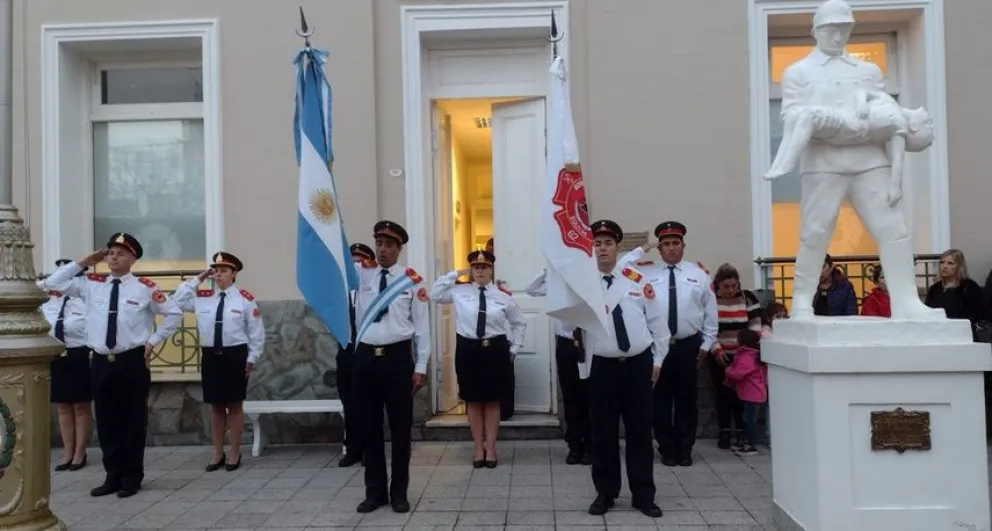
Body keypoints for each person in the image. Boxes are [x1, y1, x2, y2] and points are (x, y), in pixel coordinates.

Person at [764, 0, 941, 321]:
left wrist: (865, 131)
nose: (837, 35)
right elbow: (791, 118)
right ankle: (802, 302)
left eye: (844, 28)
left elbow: (883, 108)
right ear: (817, 29)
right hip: (824, 163)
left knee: (893, 229)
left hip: (870, 161)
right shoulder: (798, 72)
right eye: (831, 28)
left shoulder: (868, 70)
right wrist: (844, 127)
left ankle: (906, 302)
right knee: (814, 233)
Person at [43, 233, 182, 498]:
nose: (113, 257)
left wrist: (154, 340)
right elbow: (54, 283)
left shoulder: (145, 288)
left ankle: (132, 476)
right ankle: (112, 475)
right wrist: (83, 262)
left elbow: (173, 314)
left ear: (132, 258)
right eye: (110, 253)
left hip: (131, 360)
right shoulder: (91, 284)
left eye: (119, 253)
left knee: (131, 420)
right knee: (106, 421)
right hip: (100, 362)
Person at [579, 219, 666, 518]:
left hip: (637, 364)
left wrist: (658, 360)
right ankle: (605, 493)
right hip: (601, 366)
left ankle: (643, 495)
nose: (602, 248)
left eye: (607, 243)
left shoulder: (635, 278)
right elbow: (539, 288)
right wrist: (564, 262)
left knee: (640, 432)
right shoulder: (582, 281)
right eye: (596, 243)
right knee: (602, 434)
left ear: (617, 247)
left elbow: (657, 323)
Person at [619, 221, 717, 467]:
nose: (671, 248)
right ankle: (666, 448)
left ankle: (685, 449)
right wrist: (642, 248)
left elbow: (710, 312)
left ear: (683, 246)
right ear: (660, 249)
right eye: (665, 244)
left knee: (686, 400)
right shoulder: (646, 272)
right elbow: (620, 268)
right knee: (659, 400)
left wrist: (707, 344)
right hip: (656, 348)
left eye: (676, 243)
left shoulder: (699, 274)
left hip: (688, 346)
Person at [352, 221, 430, 514]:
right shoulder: (360, 274)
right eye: (379, 243)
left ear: (399, 248)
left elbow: (422, 327)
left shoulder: (412, 281)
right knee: (368, 427)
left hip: (398, 359)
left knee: (400, 428)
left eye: (388, 245)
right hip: (366, 357)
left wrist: (420, 365)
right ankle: (375, 492)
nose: (382, 250)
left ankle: (399, 492)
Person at [430, 249, 525, 468]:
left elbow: (519, 323)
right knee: (472, 400)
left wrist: (515, 348)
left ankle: (490, 449)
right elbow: (434, 294)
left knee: (492, 401)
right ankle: (477, 448)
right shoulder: (459, 291)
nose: (480, 270)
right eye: (476, 267)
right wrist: (456, 273)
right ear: (471, 270)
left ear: (491, 270)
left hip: (495, 350)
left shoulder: (503, 296)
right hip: (468, 349)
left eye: (485, 267)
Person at [173, 252, 265, 472]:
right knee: (215, 406)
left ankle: (234, 453)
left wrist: (252, 358)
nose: (219, 275)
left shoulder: (244, 299)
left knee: (234, 405)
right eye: (216, 270)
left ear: (234, 274)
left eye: (224, 271)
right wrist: (199, 278)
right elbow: (177, 300)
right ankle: (217, 453)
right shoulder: (203, 297)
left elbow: (256, 332)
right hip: (211, 356)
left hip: (235, 356)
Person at [523, 270, 592, 465]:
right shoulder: (556, 285)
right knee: (571, 396)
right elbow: (531, 289)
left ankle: (591, 444)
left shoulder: (593, 280)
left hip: (592, 344)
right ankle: (575, 444)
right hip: (567, 345)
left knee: (592, 396)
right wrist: (549, 270)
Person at [40, 259, 91, 471]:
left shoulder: (84, 300)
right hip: (57, 356)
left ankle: (80, 452)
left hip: (79, 355)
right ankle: (67, 451)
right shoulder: (47, 301)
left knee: (80, 405)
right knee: (62, 406)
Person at [709, 264, 762, 451]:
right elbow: (707, 328)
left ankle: (741, 431)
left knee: (742, 395)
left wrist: (748, 349)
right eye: (726, 286)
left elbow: (755, 325)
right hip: (720, 356)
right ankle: (724, 431)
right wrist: (716, 349)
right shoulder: (711, 300)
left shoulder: (748, 298)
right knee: (722, 395)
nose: (731, 290)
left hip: (743, 356)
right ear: (718, 285)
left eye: (734, 286)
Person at [335, 242, 376, 468]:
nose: (356, 265)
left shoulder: (371, 290)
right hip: (347, 351)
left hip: (368, 350)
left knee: (368, 403)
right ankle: (352, 448)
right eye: (352, 261)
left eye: (361, 260)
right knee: (349, 403)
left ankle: (370, 449)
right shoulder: (340, 291)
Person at [723, 329, 767, 457]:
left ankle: (750, 445)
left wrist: (727, 370)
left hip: (752, 395)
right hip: (751, 394)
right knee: (747, 420)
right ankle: (746, 443)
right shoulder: (753, 355)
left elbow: (738, 374)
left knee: (750, 421)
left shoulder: (748, 356)